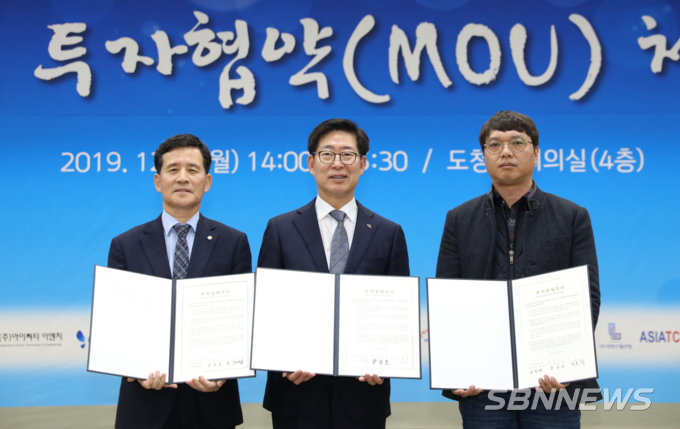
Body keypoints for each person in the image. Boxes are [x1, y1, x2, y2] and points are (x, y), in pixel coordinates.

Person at [435, 111, 602, 428]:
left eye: (517, 143)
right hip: (483, 382)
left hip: (552, 381)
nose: (506, 152)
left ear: (536, 153)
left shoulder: (571, 216)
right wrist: (457, 367)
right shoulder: (460, 218)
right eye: (494, 145)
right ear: (483, 155)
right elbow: (448, 298)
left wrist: (567, 362)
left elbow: (588, 297)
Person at [258, 118, 410, 429]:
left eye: (347, 154)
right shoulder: (281, 229)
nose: (337, 163)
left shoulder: (388, 233)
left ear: (362, 164)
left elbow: (399, 314)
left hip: (363, 392)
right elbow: (266, 307)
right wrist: (282, 359)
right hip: (295, 391)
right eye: (327, 154)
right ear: (310, 163)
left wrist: (386, 362)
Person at [108, 134, 251, 429]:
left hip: (212, 404)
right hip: (145, 404)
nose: (183, 178)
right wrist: (134, 368)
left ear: (207, 182)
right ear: (158, 181)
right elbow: (117, 321)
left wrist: (224, 372)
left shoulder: (233, 242)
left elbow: (242, 320)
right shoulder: (126, 245)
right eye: (173, 169)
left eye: (192, 169)